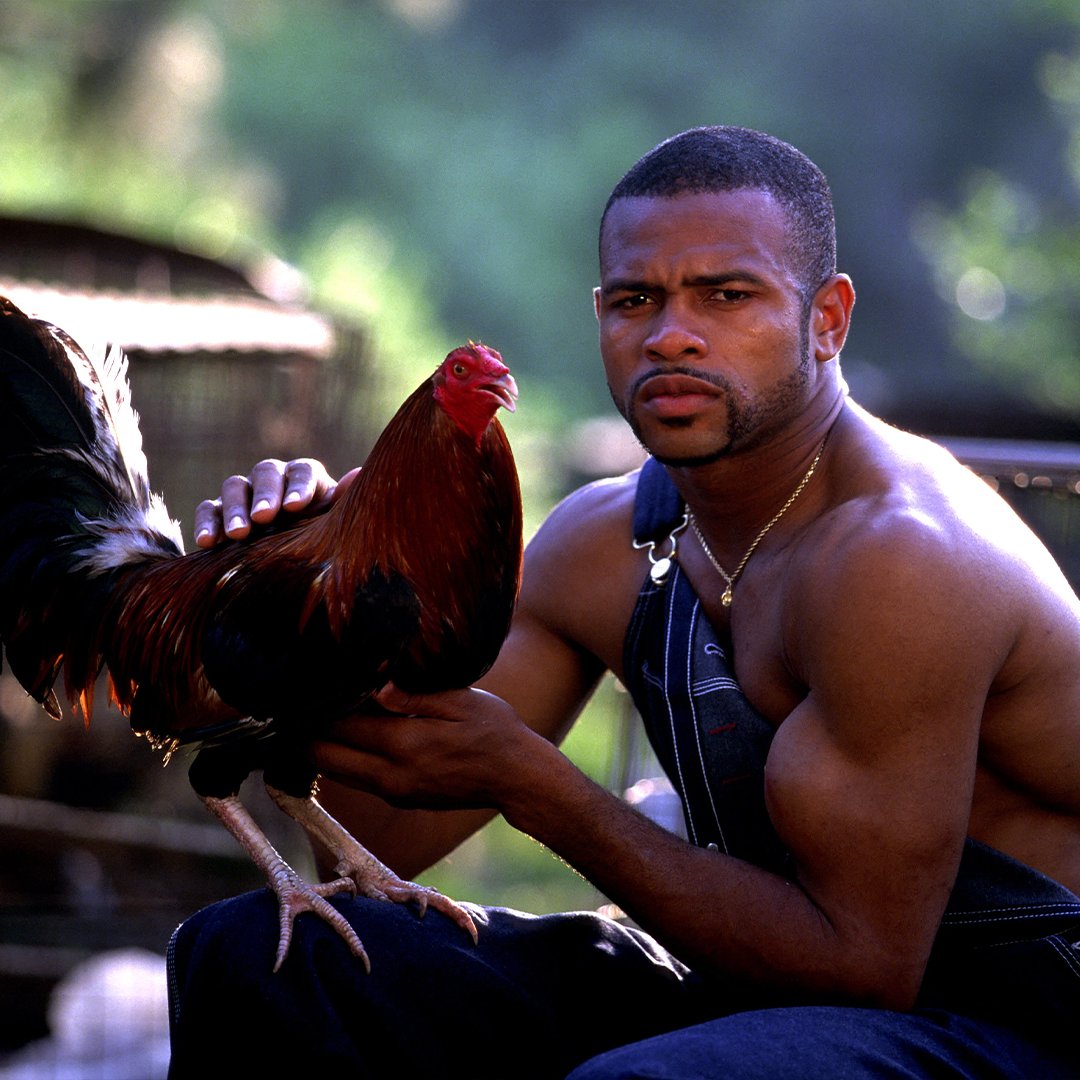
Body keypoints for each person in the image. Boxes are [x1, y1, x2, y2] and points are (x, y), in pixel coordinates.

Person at [166, 127, 1080, 1078]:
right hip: (758, 988)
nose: (671, 334)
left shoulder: (901, 557)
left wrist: (532, 782)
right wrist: (301, 589)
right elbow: (385, 833)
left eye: (727, 295)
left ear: (828, 320)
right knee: (269, 960)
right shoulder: (605, 544)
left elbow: (865, 970)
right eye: (636, 299)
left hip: (1015, 1019)